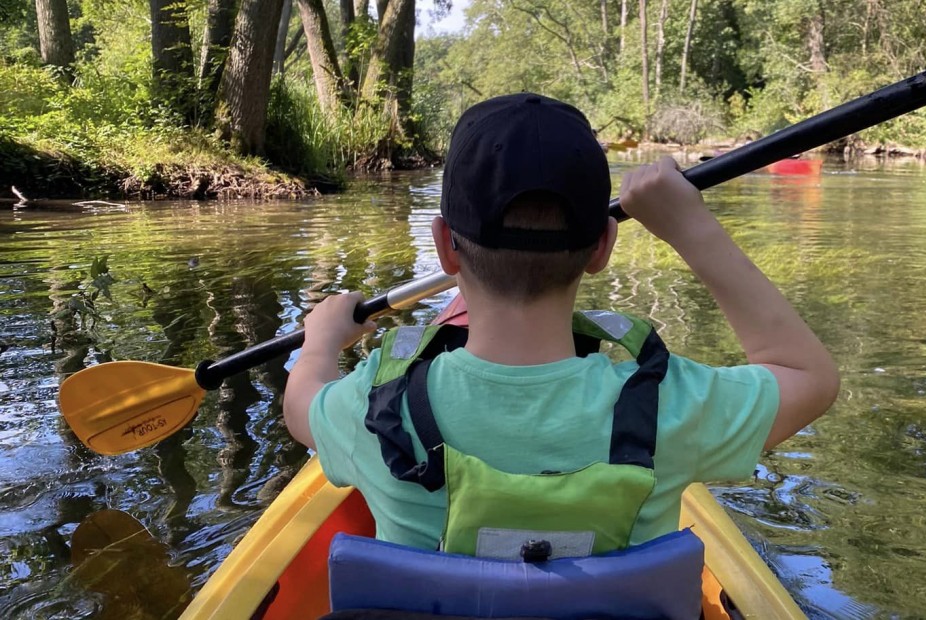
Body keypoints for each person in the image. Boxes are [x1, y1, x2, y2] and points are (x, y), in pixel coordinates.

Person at [282, 93, 839, 554]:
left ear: (446, 247)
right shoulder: (671, 406)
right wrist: (690, 227)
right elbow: (809, 378)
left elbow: (300, 404)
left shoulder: (377, 406)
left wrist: (322, 339)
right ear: (602, 247)